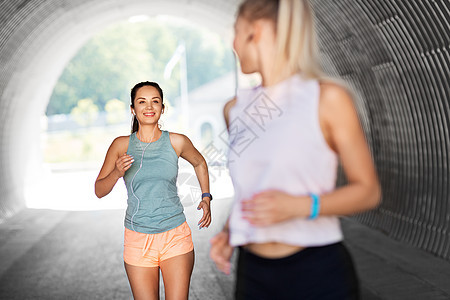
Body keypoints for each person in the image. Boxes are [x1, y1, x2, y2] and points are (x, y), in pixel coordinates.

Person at [210, 0, 381, 299]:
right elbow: (251, 187)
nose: (233, 45)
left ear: (256, 32)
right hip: (252, 275)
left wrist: (303, 206)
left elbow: (368, 191)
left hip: (317, 273)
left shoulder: (327, 99)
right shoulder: (235, 109)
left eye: (236, 33)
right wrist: (229, 231)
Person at [95, 81, 212, 300]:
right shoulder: (120, 145)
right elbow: (99, 190)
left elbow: (199, 163)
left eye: (155, 101)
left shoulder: (177, 141)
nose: (149, 107)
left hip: (175, 235)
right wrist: (116, 173)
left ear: (162, 108)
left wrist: (206, 196)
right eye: (142, 102)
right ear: (133, 109)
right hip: (137, 239)